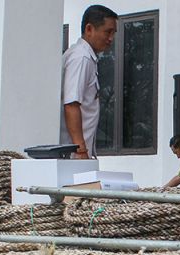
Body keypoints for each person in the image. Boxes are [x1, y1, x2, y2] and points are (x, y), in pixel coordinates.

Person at [60, 5, 118, 159]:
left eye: (114, 33)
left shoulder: (85, 57)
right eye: (108, 32)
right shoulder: (81, 58)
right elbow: (71, 104)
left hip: (76, 153)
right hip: (74, 155)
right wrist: (81, 150)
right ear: (89, 29)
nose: (111, 38)